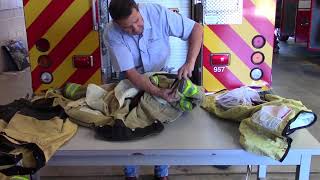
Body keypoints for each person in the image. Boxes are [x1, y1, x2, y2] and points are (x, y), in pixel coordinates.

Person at [104, 0, 203, 179]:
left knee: (162, 122)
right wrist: (156, 92)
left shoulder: (156, 12)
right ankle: (131, 173)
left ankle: (161, 173)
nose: (136, 28)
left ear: (138, 9)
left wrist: (190, 63)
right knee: (128, 123)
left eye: (137, 20)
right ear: (117, 24)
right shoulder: (111, 33)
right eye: (128, 28)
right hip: (131, 80)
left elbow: (196, 29)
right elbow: (132, 74)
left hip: (160, 73)